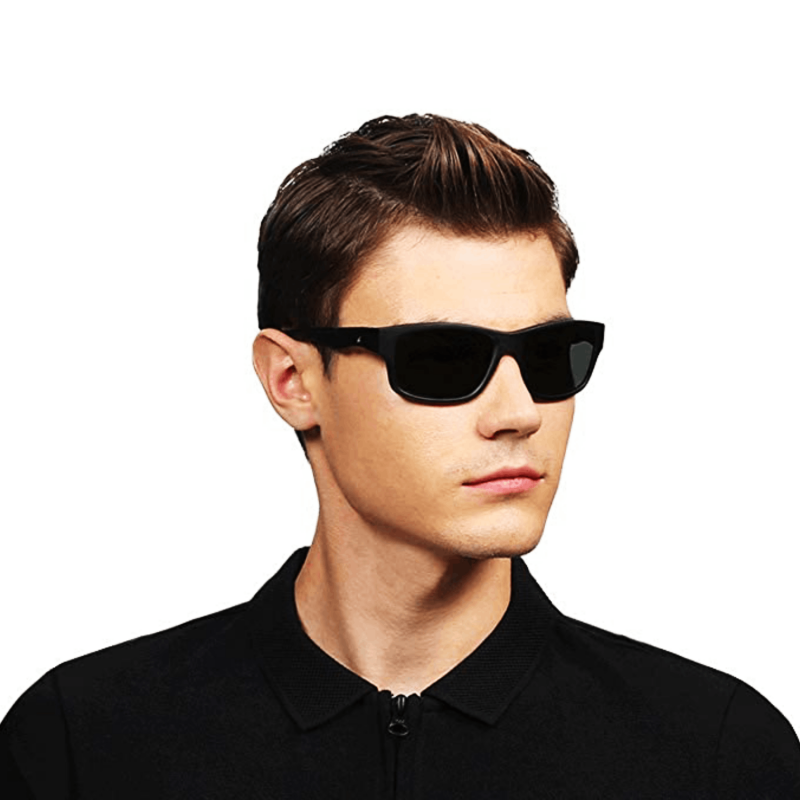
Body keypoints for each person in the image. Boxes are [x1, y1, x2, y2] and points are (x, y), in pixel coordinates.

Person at [2, 113, 798, 798]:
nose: (520, 413)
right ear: (292, 380)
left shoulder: (717, 756)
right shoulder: (82, 745)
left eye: (550, 356)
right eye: (443, 360)